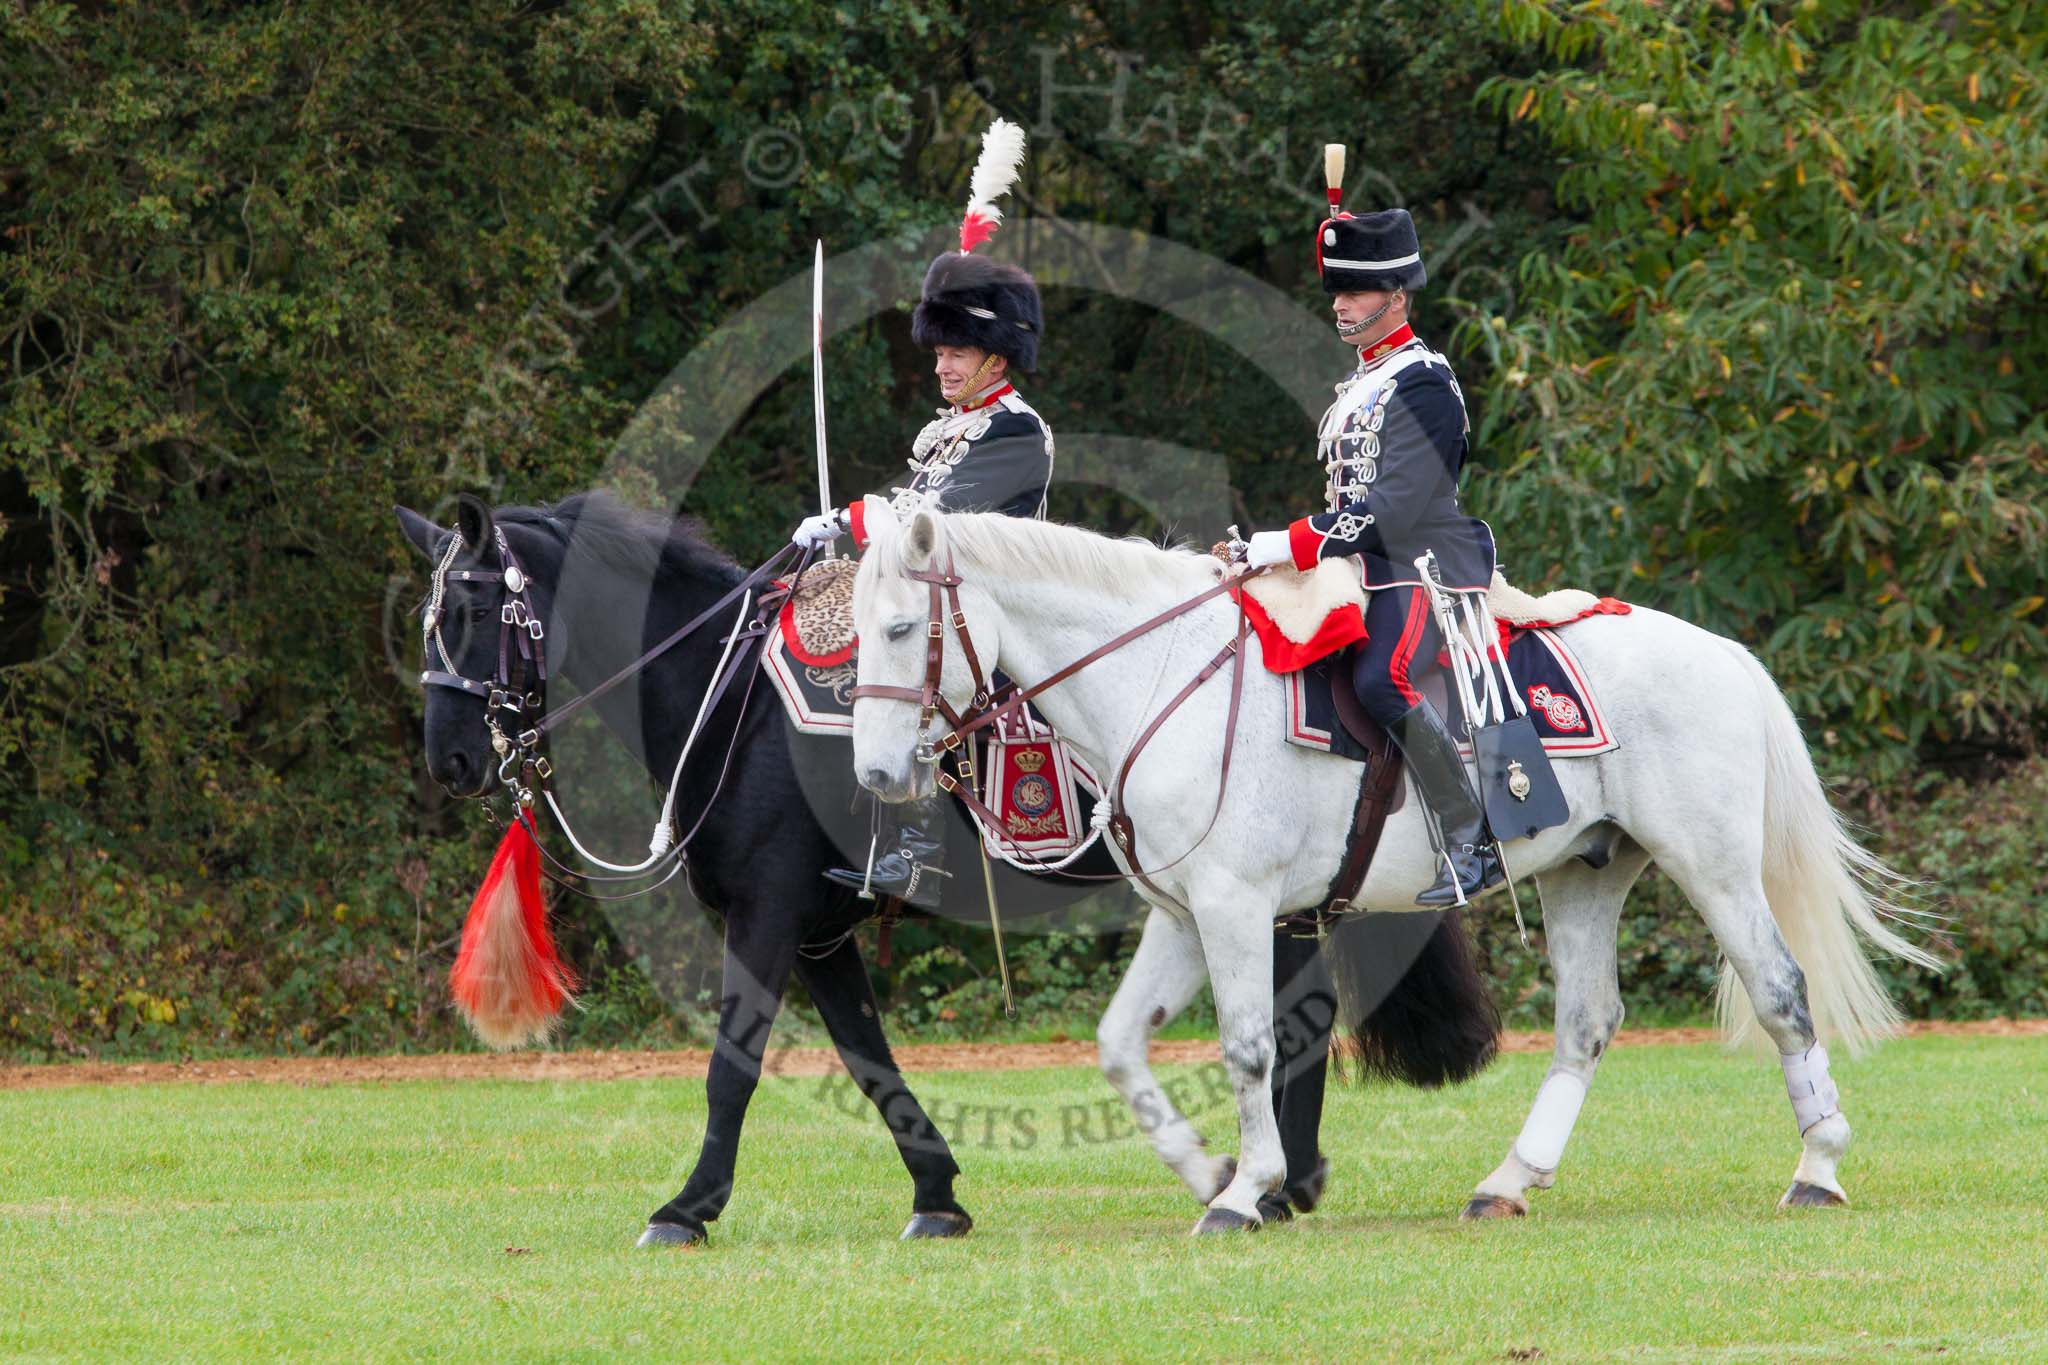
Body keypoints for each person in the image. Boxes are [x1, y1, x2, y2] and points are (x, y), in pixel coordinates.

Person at [791, 120, 1053, 900]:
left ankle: (919, 848)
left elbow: (926, 523)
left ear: (996, 358)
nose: (940, 364)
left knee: (918, 662)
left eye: (956, 352)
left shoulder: (1014, 430)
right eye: (938, 352)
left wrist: (846, 518)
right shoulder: (955, 427)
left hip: (1000, 604)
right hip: (942, 591)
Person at [1241, 194, 1503, 907]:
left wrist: (1286, 541)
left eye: (1352, 290)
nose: (1339, 304)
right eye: (1336, 290)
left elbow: (1393, 510)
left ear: (1394, 295)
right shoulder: (1363, 382)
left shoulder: (1423, 381)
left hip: (1422, 563)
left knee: (1381, 678)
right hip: (1363, 563)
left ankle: (1472, 834)